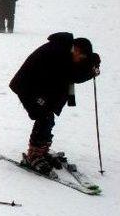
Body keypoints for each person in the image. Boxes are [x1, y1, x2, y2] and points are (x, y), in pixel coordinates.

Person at [9, 33, 101, 175]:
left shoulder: (65, 51)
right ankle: (34, 155)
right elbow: (72, 74)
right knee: (44, 116)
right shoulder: (58, 52)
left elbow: (73, 71)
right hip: (28, 86)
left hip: (41, 87)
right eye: (81, 57)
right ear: (76, 49)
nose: (79, 60)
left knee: (48, 116)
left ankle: (41, 150)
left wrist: (89, 64)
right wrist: (90, 69)